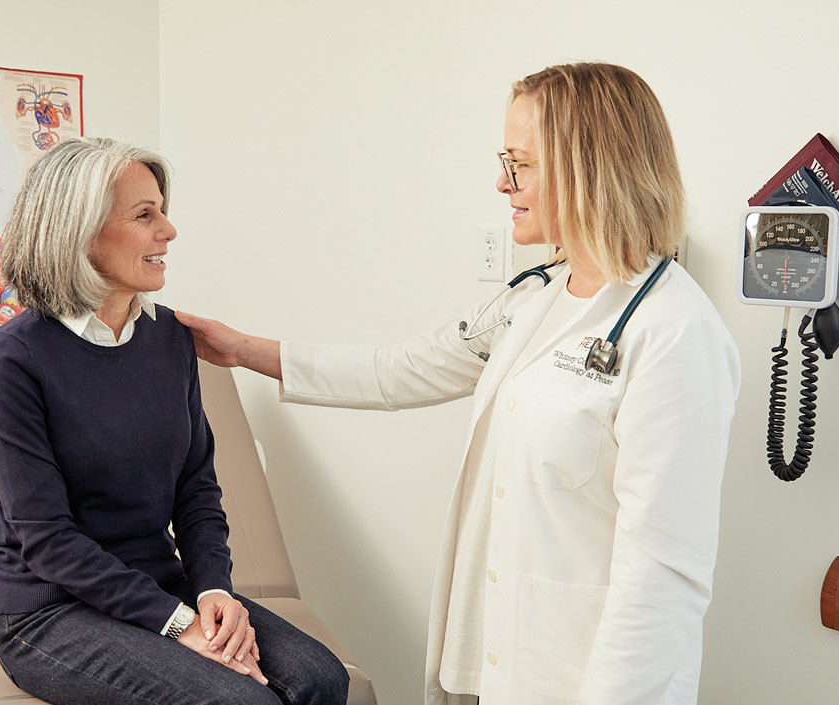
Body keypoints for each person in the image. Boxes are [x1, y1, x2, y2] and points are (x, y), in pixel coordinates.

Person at [176, 63, 740, 705]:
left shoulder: (674, 332)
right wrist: (243, 350)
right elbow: (399, 368)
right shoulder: (537, 297)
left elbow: (663, 576)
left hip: (586, 680)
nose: (501, 182)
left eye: (519, 164)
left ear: (585, 169)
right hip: (492, 659)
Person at [0, 137, 350, 705]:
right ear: (80, 231)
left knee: (323, 679)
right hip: (51, 613)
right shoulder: (13, 359)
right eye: (145, 215)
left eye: (163, 211)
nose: (168, 231)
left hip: (162, 585)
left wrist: (214, 590)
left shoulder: (171, 339)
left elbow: (197, 488)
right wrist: (179, 624)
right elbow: (47, 540)